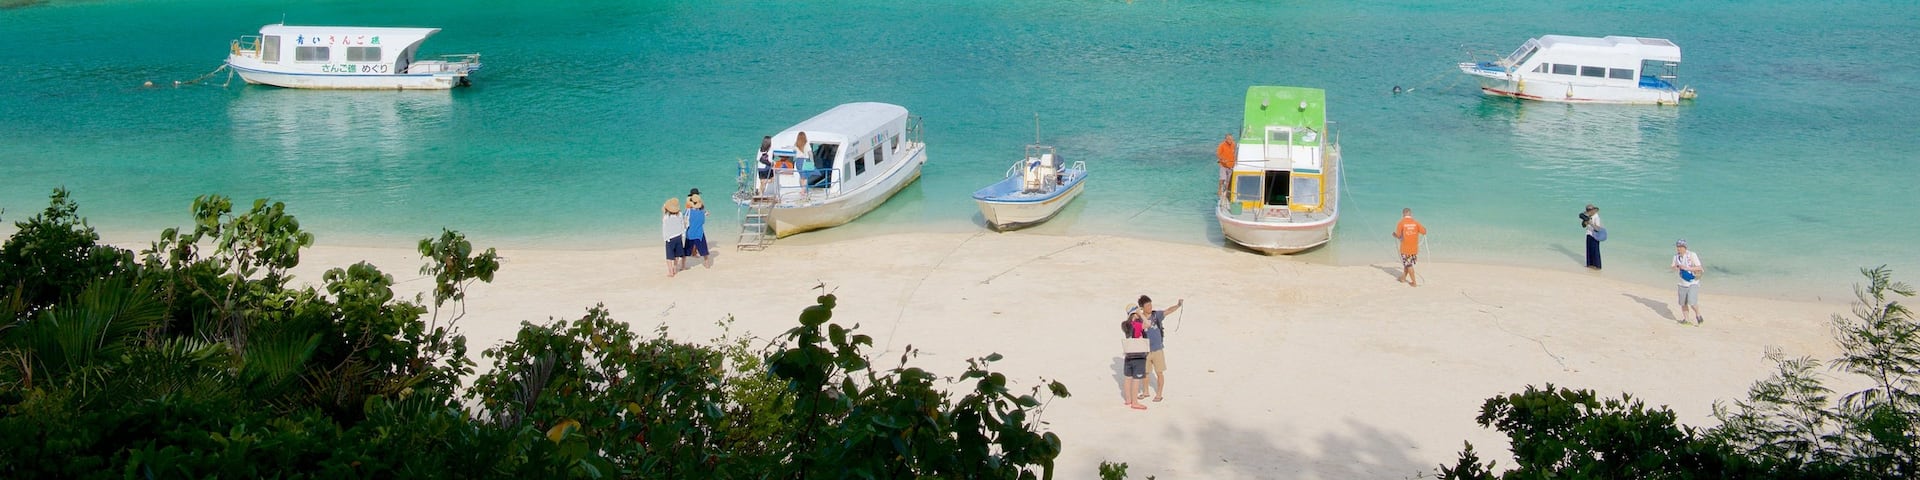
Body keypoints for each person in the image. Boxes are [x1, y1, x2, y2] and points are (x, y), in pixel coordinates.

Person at [1138, 295, 1183, 403]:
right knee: (1145, 373)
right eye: (1147, 305)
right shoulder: (1139, 319)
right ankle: (1145, 392)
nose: (1150, 307)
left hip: (1158, 349)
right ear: (1142, 308)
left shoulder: (1156, 315)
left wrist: (1178, 305)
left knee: (1159, 373)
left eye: (1150, 304)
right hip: (1145, 351)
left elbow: (1168, 310)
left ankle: (1159, 394)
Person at [1119, 308, 1150, 410]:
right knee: (1136, 380)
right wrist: (1141, 315)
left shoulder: (1125, 325)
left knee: (1128, 379)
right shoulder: (1136, 325)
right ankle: (1135, 403)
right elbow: (1148, 324)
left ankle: (1128, 400)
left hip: (1128, 356)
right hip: (1138, 356)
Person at [1392, 208, 1427, 286]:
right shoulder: (1416, 222)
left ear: (1403, 214)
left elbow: (1398, 235)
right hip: (1414, 248)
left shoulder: (1401, 223)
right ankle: (1403, 278)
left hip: (1405, 248)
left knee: (1408, 265)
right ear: (1410, 214)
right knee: (1407, 264)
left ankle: (1414, 283)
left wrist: (1394, 235)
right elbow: (1424, 231)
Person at [1672, 239, 1705, 324]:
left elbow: (1699, 268)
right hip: (1682, 283)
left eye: (1681, 247)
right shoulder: (1676, 257)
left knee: (1692, 302)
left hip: (1693, 282)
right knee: (1683, 303)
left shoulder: (1692, 255)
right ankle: (1686, 320)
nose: (1679, 248)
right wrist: (1675, 267)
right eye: (1678, 247)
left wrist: (1686, 268)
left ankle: (1698, 314)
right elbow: (1673, 267)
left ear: (1685, 247)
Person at [684, 189, 711, 269]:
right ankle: (706, 263)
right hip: (698, 232)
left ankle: (685, 263)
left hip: (690, 231)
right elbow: (703, 216)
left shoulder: (689, 205)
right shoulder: (699, 206)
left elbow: (685, 216)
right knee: (703, 248)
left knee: (689, 247)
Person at [661, 198, 686, 278]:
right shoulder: (680, 214)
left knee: (669, 257)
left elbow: (664, 228)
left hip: (670, 238)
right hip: (678, 237)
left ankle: (671, 272)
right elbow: (682, 224)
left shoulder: (666, 217)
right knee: (676, 255)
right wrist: (683, 234)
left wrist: (665, 238)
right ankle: (675, 268)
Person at [1581, 204, 1604, 270]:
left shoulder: (1596, 217)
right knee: (1589, 250)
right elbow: (1583, 226)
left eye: (1590, 210)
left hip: (1595, 235)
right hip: (1588, 234)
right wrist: (1585, 222)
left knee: (1595, 251)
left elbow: (1598, 229)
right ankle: (1589, 265)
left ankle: (1597, 266)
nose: (1589, 211)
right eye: (1587, 210)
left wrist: (1590, 223)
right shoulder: (1588, 216)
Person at [1215, 133, 1237, 198]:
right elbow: (1218, 154)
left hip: (1231, 165)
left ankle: (1226, 191)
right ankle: (1219, 190)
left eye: (1231, 139)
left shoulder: (1234, 144)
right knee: (1222, 178)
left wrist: (1235, 160)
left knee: (1228, 180)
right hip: (1223, 165)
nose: (1230, 140)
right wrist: (1222, 159)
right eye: (1229, 139)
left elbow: (1235, 153)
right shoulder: (1222, 145)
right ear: (1226, 139)